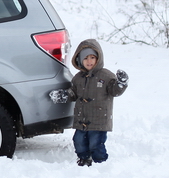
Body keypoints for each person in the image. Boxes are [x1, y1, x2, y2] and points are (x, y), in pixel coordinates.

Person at [50, 38, 129, 166]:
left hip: (99, 120)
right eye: (85, 58)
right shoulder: (78, 78)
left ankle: (100, 163)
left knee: (96, 143)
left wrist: (121, 83)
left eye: (92, 57)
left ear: (98, 58)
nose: (89, 61)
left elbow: (115, 91)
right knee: (79, 141)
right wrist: (64, 95)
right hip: (82, 119)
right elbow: (74, 93)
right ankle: (84, 159)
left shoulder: (106, 76)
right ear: (80, 60)